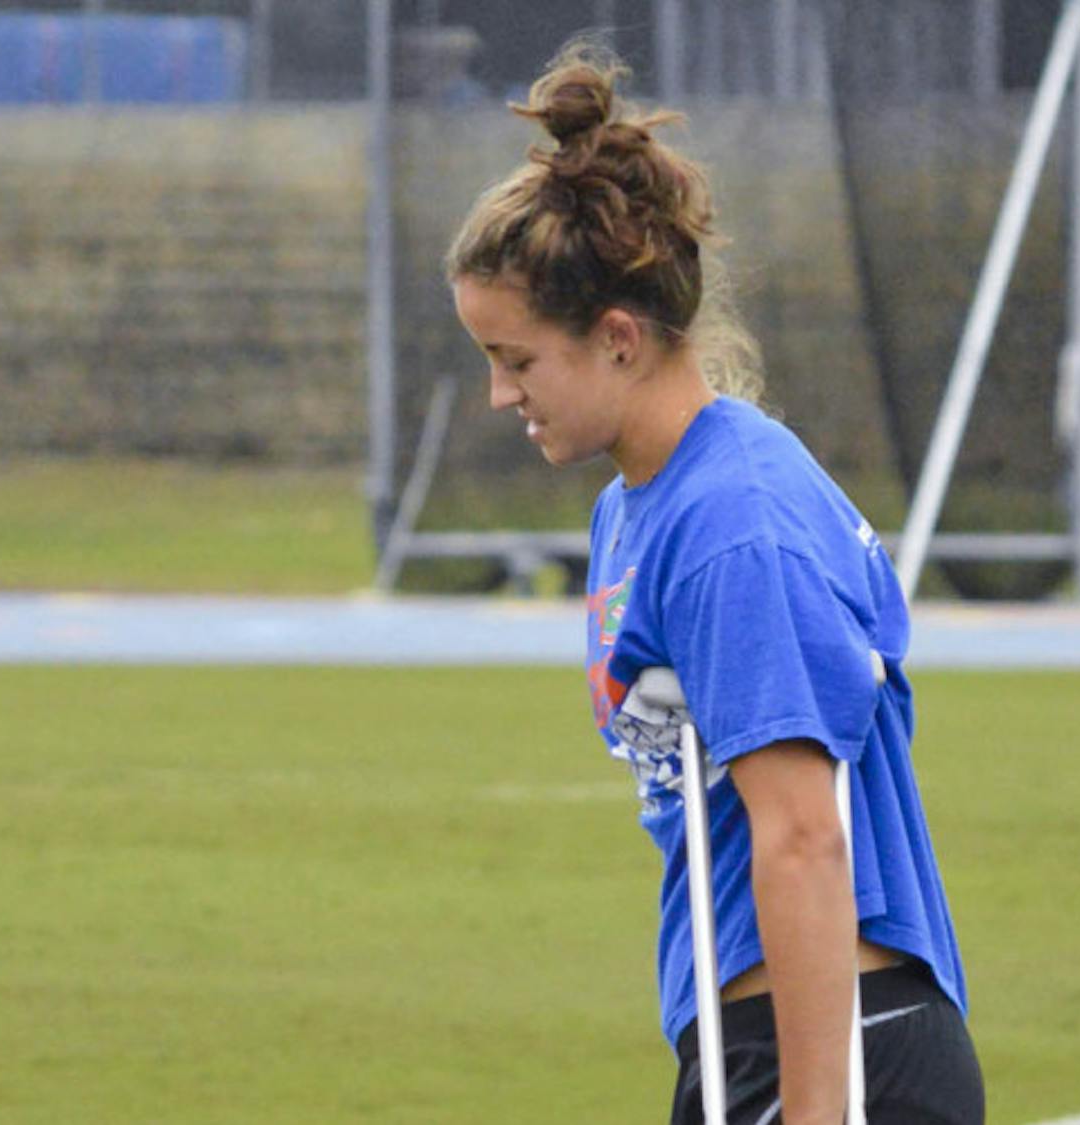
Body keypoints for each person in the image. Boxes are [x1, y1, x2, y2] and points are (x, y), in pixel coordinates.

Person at [446, 42, 985, 1125]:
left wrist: (817, 1110)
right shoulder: (637, 507)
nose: (501, 397)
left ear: (617, 339)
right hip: (750, 1047)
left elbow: (800, 831)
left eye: (517, 361)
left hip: (841, 1055)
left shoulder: (736, 524)